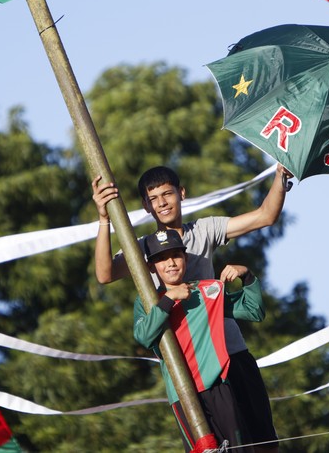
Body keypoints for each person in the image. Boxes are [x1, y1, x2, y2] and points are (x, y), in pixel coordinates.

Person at [92, 164, 289, 452]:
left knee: (260, 441)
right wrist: (102, 218)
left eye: (167, 194)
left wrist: (281, 178)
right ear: (146, 206)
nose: (162, 203)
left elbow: (265, 216)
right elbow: (105, 274)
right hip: (188, 366)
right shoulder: (142, 249)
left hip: (229, 351)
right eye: (154, 198)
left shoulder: (203, 229)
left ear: (181, 193)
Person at [133, 229, 267, 452]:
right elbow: (144, 336)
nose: (171, 263)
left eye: (176, 255)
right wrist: (169, 300)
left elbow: (254, 311)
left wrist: (247, 275)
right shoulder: (148, 301)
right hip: (182, 394)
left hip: (218, 387)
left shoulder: (205, 291)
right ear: (151, 267)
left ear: (185, 258)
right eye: (162, 258)